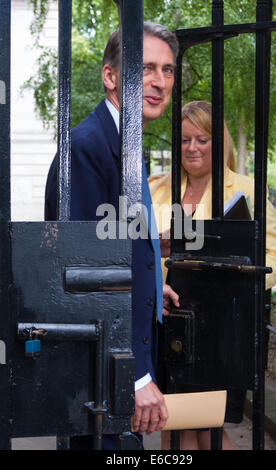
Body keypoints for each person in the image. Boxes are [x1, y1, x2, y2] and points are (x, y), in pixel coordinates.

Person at [45, 22, 180, 450]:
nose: (159, 81)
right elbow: (84, 277)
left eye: (169, 70)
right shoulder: (89, 147)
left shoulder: (126, 140)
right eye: (145, 68)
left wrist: (154, 286)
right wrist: (135, 375)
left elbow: (118, 246)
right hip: (103, 379)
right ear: (110, 76)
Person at [149, 100, 276, 450]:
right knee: (174, 424)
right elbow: (134, 249)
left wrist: (234, 283)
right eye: (184, 140)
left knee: (204, 429)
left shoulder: (246, 190)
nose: (192, 148)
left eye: (202, 139)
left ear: (220, 142)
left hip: (220, 326)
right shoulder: (154, 188)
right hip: (163, 323)